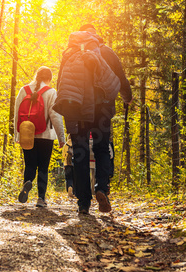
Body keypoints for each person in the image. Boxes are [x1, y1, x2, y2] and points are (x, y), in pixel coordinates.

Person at [56, 24, 132, 214]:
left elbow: (61, 84)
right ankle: (101, 188)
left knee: (80, 152)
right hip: (102, 109)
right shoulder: (106, 51)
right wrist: (127, 97)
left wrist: (65, 109)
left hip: (78, 109)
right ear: (95, 35)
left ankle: (83, 202)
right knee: (101, 149)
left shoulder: (69, 53)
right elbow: (120, 77)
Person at [14, 66, 65, 207]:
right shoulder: (51, 92)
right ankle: (41, 198)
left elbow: (16, 114)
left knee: (29, 164)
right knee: (43, 166)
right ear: (49, 79)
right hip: (46, 136)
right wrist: (61, 138)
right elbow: (56, 116)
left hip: (26, 134)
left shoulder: (23, 90)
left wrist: (17, 135)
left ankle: (27, 183)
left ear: (36, 76)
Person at [62, 134, 75, 198]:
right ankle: (74, 192)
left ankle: (69, 187)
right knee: (75, 178)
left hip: (67, 163)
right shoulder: (76, 143)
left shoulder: (65, 145)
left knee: (68, 178)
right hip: (75, 163)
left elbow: (63, 155)